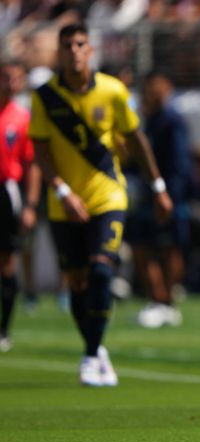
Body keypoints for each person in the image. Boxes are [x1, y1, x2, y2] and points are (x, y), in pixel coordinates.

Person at [29, 23, 173, 386]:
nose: (74, 51)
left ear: (90, 50)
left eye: (80, 44)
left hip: (108, 196)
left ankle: (91, 355)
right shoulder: (44, 97)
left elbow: (136, 139)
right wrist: (62, 191)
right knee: (77, 282)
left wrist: (158, 186)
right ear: (59, 52)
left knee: (102, 271)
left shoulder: (112, 91)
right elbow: (41, 151)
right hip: (64, 204)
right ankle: (95, 348)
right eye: (67, 45)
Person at [130, 71, 191, 329]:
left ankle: (165, 302)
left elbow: (178, 163)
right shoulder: (148, 120)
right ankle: (158, 299)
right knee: (141, 247)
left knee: (169, 248)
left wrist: (169, 196)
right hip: (150, 195)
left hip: (167, 196)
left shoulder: (171, 121)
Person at [0, 59, 41, 352]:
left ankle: (3, 330)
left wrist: (31, 205)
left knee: (7, 261)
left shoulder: (23, 118)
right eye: (5, 77)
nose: (10, 83)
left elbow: (32, 163)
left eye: (16, 78)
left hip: (6, 192)